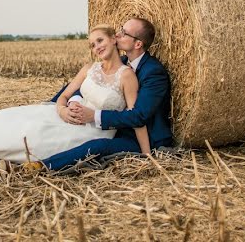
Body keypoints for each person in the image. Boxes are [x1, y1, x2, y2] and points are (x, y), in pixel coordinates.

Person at [0, 25, 150, 164]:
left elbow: (135, 117)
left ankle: (15, 162)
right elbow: (64, 96)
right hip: (69, 115)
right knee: (19, 119)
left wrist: (147, 155)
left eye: (100, 40)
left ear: (114, 39)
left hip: (94, 129)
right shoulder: (89, 68)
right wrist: (62, 110)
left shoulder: (127, 76)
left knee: (39, 136)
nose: (96, 47)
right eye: (92, 44)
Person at [38, 17, 173, 171]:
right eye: (120, 29)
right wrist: (67, 103)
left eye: (124, 33)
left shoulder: (153, 72)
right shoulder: (120, 61)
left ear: (138, 44)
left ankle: (41, 166)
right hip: (111, 126)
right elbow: (89, 84)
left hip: (139, 136)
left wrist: (94, 116)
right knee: (52, 123)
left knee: (98, 146)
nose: (117, 34)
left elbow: (139, 116)